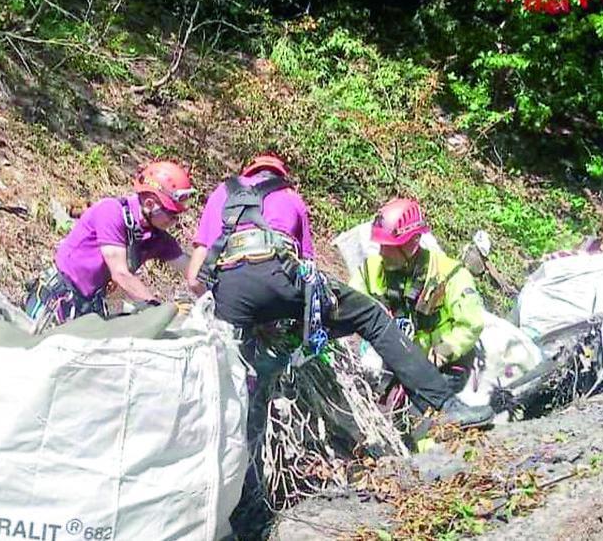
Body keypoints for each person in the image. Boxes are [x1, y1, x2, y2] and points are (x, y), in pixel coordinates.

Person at [186, 153, 493, 428]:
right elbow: (307, 272)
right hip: (279, 276)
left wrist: (238, 312)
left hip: (231, 291)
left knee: (244, 377)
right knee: (371, 317)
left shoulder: (220, 193)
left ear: (247, 173)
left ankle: (246, 480)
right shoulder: (290, 197)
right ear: (281, 176)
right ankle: (445, 404)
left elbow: (194, 279)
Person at [25, 160, 194, 329]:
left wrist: (212, 287)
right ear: (150, 204)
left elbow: (192, 271)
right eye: (172, 214)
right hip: (58, 299)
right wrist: (158, 311)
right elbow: (120, 274)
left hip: (89, 306)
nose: (175, 221)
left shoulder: (156, 237)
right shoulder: (111, 212)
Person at [349, 198, 485, 373]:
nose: (382, 252)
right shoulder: (371, 269)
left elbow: (472, 324)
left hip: (439, 364)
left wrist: (440, 355)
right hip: (392, 357)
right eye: (382, 245)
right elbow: (349, 301)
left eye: (389, 246)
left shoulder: (451, 276)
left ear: (413, 242)